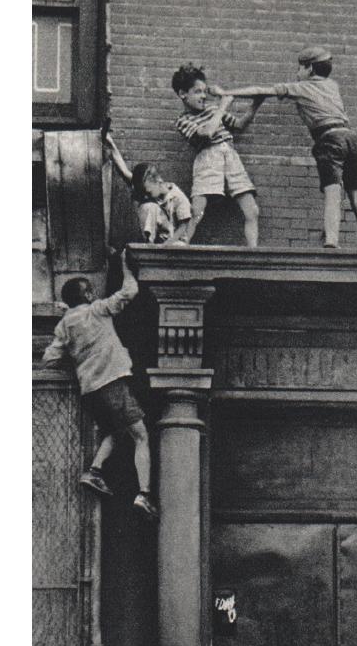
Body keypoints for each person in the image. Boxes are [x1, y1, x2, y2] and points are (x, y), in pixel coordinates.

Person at [40, 251, 158, 520]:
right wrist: (126, 267)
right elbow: (130, 290)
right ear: (89, 295)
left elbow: (50, 359)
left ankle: (94, 471)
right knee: (141, 436)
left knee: (113, 433)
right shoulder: (98, 310)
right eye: (91, 290)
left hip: (90, 392)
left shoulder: (65, 325)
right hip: (112, 383)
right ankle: (145, 494)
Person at [221, 45, 357, 249]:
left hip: (329, 139)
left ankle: (331, 242)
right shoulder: (332, 85)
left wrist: (226, 92)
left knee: (333, 192)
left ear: (310, 69)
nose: (297, 73)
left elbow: (260, 91)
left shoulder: (301, 87)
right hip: (351, 138)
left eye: (300, 68)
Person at [171, 63, 263, 246]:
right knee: (197, 209)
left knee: (252, 210)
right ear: (183, 94)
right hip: (208, 157)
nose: (203, 96)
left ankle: (254, 252)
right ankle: (182, 243)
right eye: (197, 92)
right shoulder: (183, 120)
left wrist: (256, 104)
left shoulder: (212, 110)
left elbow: (238, 125)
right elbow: (207, 133)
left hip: (230, 155)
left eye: (205, 91)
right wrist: (222, 105)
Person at [105, 133, 191, 244]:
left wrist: (167, 246)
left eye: (148, 192)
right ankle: (148, 246)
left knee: (150, 206)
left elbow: (184, 227)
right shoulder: (147, 187)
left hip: (175, 243)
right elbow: (124, 171)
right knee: (148, 206)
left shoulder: (178, 197)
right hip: (158, 241)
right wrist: (111, 144)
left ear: (158, 182)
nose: (145, 195)